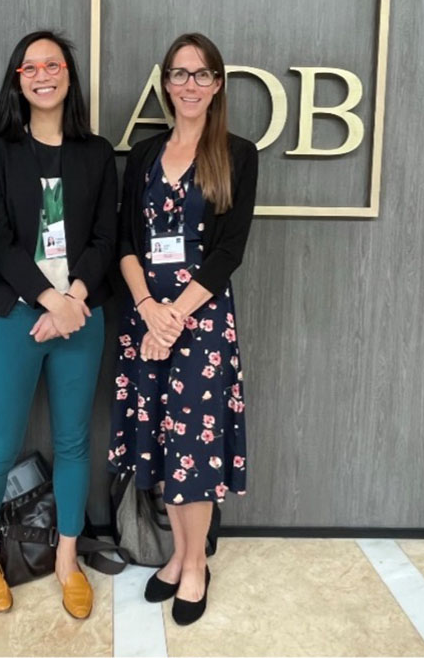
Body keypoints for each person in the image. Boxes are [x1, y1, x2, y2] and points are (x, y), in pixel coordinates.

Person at [108, 33, 258, 626]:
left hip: (202, 323)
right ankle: (179, 555)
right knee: (164, 445)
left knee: (193, 447)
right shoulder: (144, 155)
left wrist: (175, 317)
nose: (189, 84)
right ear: (165, 83)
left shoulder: (237, 154)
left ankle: (193, 564)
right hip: (144, 319)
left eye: (201, 74)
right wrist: (148, 307)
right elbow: (125, 242)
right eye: (179, 73)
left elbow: (229, 251)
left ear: (217, 84)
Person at [0, 31, 117, 619]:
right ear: (17, 79)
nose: (43, 74)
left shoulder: (97, 152)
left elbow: (107, 235)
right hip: (16, 314)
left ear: (68, 77)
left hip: (83, 313)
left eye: (53, 64)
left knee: (76, 442)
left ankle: (67, 559)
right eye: (30, 66)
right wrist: (48, 300)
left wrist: (73, 298)